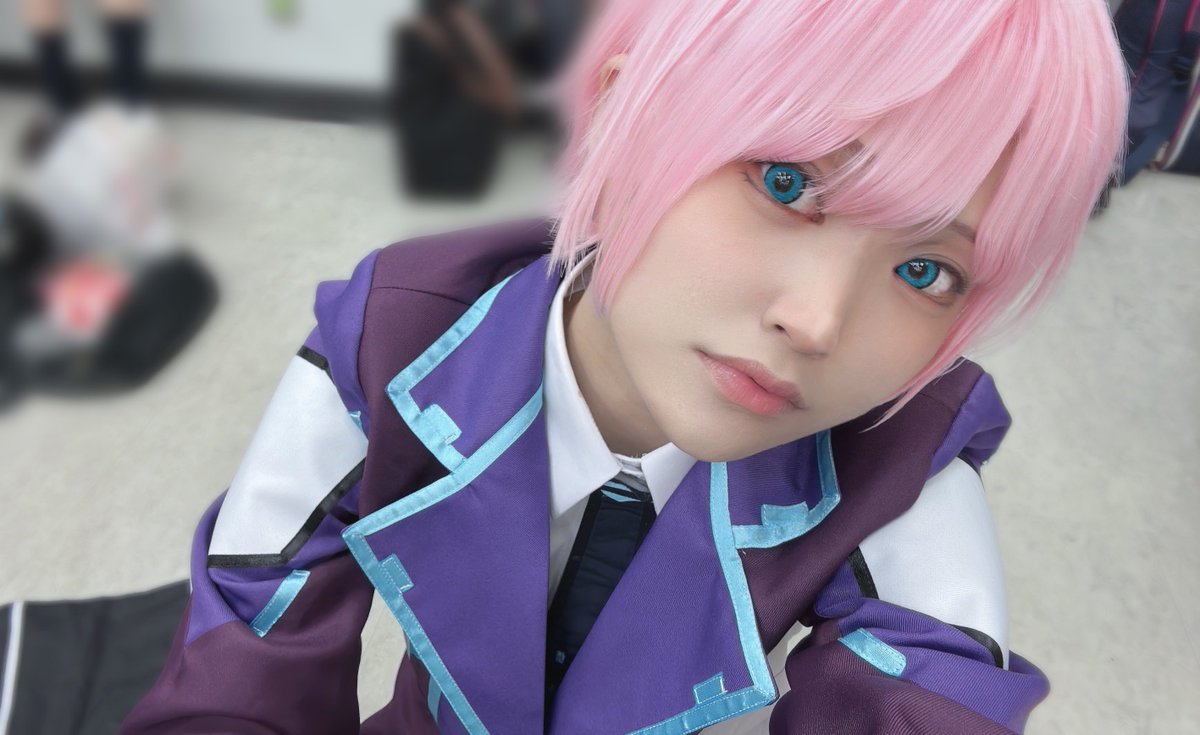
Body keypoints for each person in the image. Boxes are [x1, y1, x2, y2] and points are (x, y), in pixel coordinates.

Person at [121, 0, 1128, 732]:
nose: (817, 322)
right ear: (623, 113)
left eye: (926, 270)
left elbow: (932, 688)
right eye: (786, 183)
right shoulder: (392, 342)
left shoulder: (897, 457)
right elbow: (240, 653)